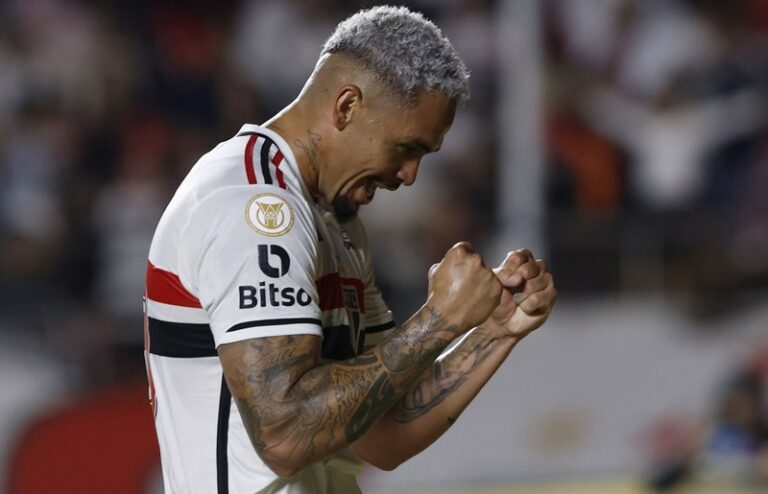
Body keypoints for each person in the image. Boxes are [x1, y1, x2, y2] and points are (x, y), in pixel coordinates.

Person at [144, 6, 557, 494]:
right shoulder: (252, 204)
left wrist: (494, 330)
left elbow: (386, 433)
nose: (409, 176)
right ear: (346, 107)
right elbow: (286, 434)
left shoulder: (333, 219)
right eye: (406, 148)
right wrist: (438, 320)